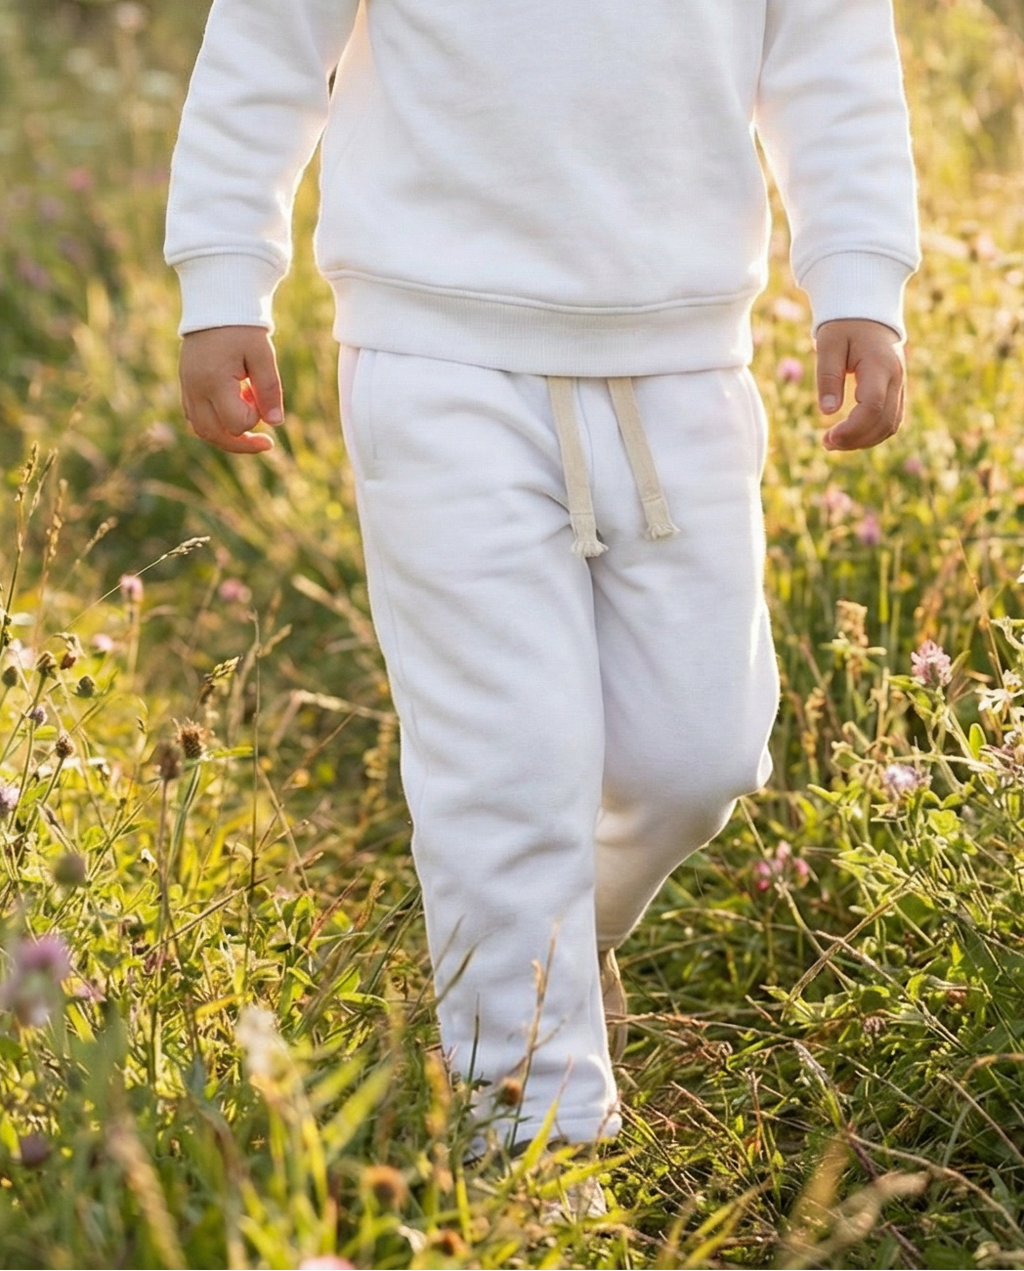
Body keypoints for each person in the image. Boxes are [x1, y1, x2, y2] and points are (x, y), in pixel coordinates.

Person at [166, 0, 919, 1166]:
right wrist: (223, 278)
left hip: (682, 355)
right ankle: (534, 1139)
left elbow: (832, 58)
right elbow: (267, 41)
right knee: (505, 766)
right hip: (435, 350)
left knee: (700, 756)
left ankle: (549, 939)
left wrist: (859, 276)